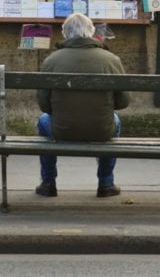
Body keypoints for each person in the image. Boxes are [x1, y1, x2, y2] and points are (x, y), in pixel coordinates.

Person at [35, 12, 129, 198]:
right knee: (115, 120)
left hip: (62, 129)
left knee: (43, 120)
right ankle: (106, 182)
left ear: (65, 33)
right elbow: (122, 102)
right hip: (102, 130)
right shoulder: (111, 60)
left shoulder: (51, 61)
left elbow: (44, 106)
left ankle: (48, 182)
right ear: (92, 32)